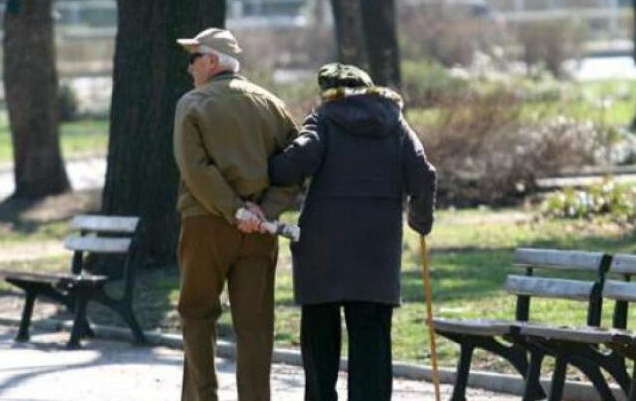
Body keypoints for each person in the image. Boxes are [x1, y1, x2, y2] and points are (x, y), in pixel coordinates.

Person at [268, 63, 437, 401]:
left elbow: (295, 164)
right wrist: (420, 221)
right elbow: (423, 175)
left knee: (320, 339)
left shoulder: (324, 118)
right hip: (377, 252)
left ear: (327, 91)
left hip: (322, 251)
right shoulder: (396, 123)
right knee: (371, 338)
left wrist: (268, 165)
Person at [172, 27, 299, 401]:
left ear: (211, 61)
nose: (189, 68)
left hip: (206, 222)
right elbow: (293, 167)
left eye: (193, 59)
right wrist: (265, 211)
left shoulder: (193, 103)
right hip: (260, 230)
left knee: (196, 313)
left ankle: (202, 397)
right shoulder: (272, 104)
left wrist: (233, 210)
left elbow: (196, 169)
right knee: (256, 324)